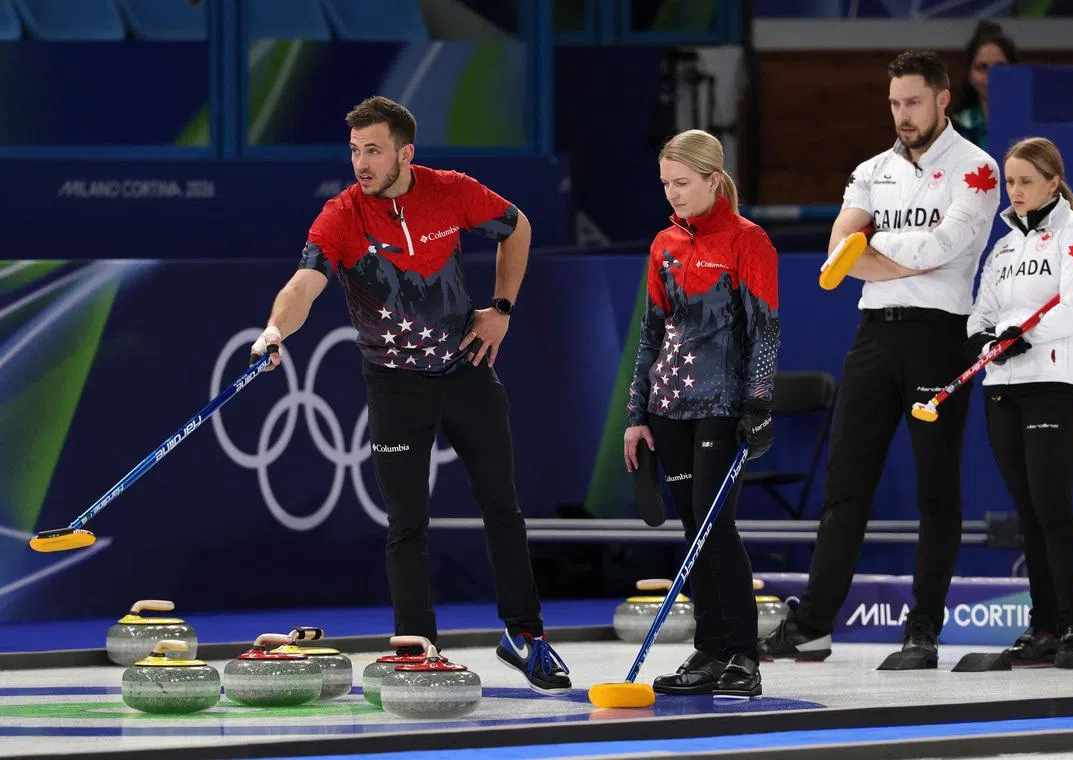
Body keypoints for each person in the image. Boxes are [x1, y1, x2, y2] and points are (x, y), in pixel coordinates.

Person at [248, 95, 571, 695]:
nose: (361, 163)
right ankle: (418, 650)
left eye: (372, 150)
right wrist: (273, 330)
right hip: (394, 383)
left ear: (405, 152)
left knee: (502, 506)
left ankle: (525, 636)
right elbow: (304, 284)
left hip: (465, 369)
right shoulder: (341, 215)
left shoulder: (449, 190)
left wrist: (501, 307)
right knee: (407, 524)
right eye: (353, 151)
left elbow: (517, 226)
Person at [758, 50, 1001, 669]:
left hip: (941, 338)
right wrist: (893, 253)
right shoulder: (871, 169)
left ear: (944, 99)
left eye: (913, 102)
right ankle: (812, 625)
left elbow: (947, 246)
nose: (903, 115)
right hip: (873, 337)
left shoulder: (978, 168)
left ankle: (922, 632)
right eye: (894, 103)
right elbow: (837, 252)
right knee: (845, 487)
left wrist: (871, 250)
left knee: (936, 491)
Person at [623, 129, 780, 699]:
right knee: (693, 528)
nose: (673, 195)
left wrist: (758, 403)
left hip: (723, 405)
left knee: (714, 526)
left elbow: (765, 328)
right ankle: (711, 650)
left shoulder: (749, 241)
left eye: (682, 183)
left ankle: (744, 653)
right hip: (670, 405)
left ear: (714, 180)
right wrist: (636, 413)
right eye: (666, 184)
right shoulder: (663, 243)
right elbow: (649, 333)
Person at [965, 137, 1073, 669]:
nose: (1016, 190)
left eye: (1027, 180)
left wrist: (1022, 331)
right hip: (1003, 384)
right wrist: (985, 337)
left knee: (1051, 505)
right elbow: (982, 311)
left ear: (1053, 181)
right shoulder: (1003, 249)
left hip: (1054, 381)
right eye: (1010, 180)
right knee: (1027, 510)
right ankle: (1043, 624)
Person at [953, 20, 1018, 152]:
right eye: (982, 67)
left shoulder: (1031, 125)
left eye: (1000, 67)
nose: (991, 75)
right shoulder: (955, 128)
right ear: (969, 75)